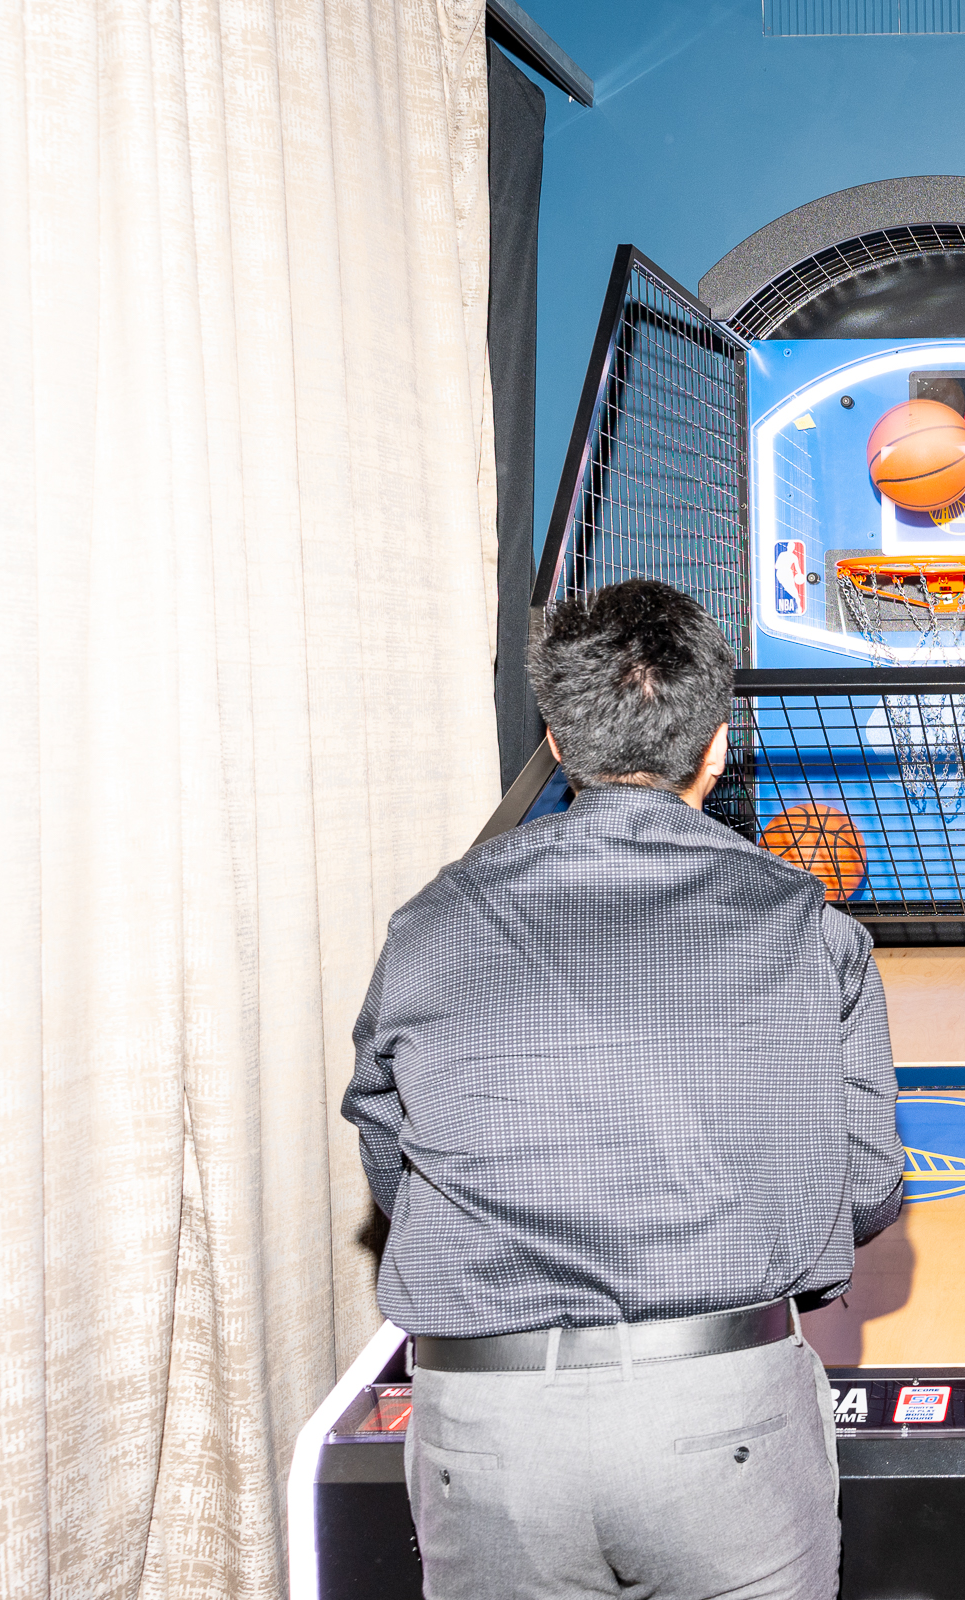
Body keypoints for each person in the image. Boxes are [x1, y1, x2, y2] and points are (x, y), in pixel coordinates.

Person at [343, 578, 903, 1600]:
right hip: (719, 1412)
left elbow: (390, 1148)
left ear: (557, 738)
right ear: (718, 744)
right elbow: (865, 1188)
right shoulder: (812, 931)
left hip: (487, 1419)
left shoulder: (430, 922)